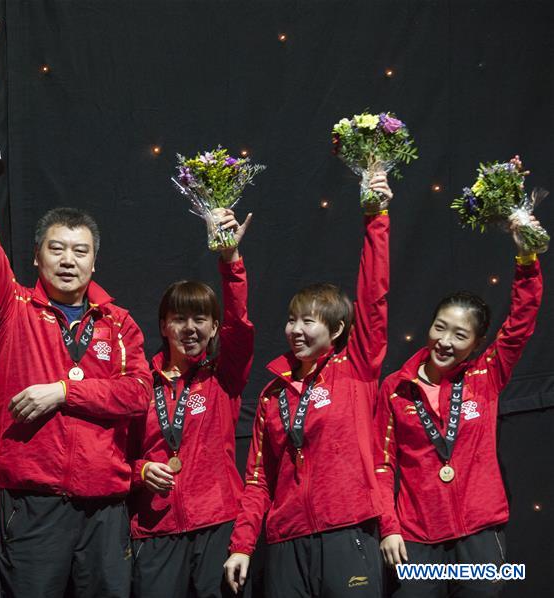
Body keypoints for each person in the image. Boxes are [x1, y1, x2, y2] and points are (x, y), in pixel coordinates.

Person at [0, 114, 153, 598]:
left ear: (94, 260)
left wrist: (63, 392)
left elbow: (139, 394)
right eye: (56, 249)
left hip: (105, 507)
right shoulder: (12, 308)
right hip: (32, 504)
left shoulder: (118, 322)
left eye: (79, 251)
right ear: (36, 258)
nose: (68, 260)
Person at [224, 173, 394, 597]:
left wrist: (376, 218)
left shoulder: (356, 369)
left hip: (347, 532)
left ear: (337, 330)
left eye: (308, 321)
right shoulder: (272, 394)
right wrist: (243, 545)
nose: (295, 330)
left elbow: (373, 299)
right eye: (291, 320)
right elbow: (259, 479)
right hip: (286, 542)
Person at [374, 218, 544, 597]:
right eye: (439, 327)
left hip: (480, 535)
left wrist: (527, 259)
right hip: (417, 541)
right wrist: (389, 526)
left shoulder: (486, 374)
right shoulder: (395, 388)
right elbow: (381, 465)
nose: (445, 341)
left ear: (477, 341)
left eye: (460, 334)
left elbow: (520, 324)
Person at [130, 208, 254, 598]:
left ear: (215, 327)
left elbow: (241, 324)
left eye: (201, 318)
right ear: (164, 326)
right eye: (180, 318)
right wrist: (140, 470)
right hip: (155, 531)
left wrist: (230, 259)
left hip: (217, 524)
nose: (191, 328)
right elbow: (114, 454)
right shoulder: (137, 384)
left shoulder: (223, 378)